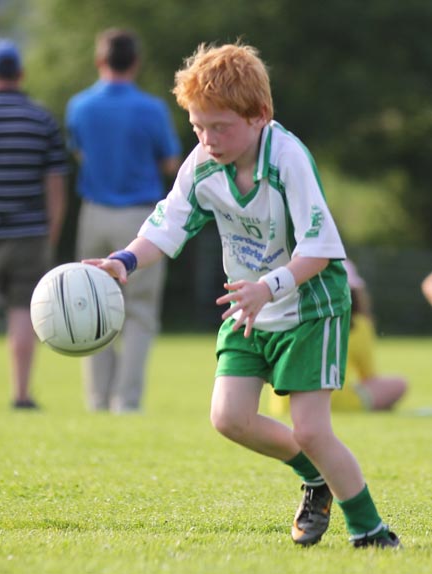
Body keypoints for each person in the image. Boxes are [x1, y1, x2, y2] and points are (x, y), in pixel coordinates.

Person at [83, 42, 400, 548]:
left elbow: (320, 250)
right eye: (198, 126)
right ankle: (314, 479)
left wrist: (267, 287)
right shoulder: (204, 164)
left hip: (309, 306)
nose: (208, 139)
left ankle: (371, 531)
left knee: (315, 431)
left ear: (259, 116)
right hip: (249, 304)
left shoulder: (288, 158)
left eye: (220, 126)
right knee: (229, 418)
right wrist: (121, 261)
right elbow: (165, 226)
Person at [65, 28, 181, 414]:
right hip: (140, 219)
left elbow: (78, 153)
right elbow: (170, 163)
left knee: (90, 306)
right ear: (135, 62)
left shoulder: (79, 106)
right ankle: (126, 401)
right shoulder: (151, 109)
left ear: (100, 60)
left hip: (94, 212)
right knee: (139, 312)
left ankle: (97, 399)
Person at [0, 38, 67, 409]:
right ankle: (20, 394)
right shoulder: (41, 118)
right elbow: (56, 182)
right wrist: (52, 231)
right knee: (22, 312)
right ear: (21, 74)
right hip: (28, 231)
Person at [268, 258, 408, 413]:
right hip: (336, 401)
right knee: (399, 384)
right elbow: (368, 377)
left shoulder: (285, 318)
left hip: (283, 404)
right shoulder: (359, 325)